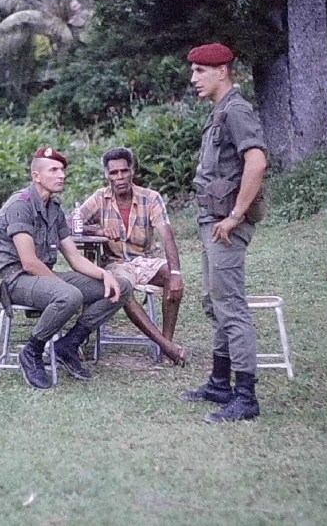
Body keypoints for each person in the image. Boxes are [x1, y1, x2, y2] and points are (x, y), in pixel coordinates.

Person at [179, 43, 268, 423]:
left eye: (201, 71)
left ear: (223, 72)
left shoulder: (236, 110)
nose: (194, 78)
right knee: (214, 303)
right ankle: (219, 382)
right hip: (211, 222)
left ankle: (245, 397)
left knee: (231, 306)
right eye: (194, 71)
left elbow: (257, 161)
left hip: (226, 226)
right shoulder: (220, 111)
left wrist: (235, 215)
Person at [0, 146, 132, 390]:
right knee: (69, 294)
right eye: (54, 170)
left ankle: (68, 344)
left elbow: (74, 257)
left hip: (44, 277)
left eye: (62, 170)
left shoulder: (54, 208)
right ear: (36, 176)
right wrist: (61, 285)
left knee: (121, 286)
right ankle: (31, 352)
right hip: (17, 280)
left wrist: (106, 275)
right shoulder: (21, 204)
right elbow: (29, 261)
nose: (61, 175)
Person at [78, 147, 188, 365]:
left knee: (172, 279)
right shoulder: (100, 198)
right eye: (114, 173)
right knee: (123, 287)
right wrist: (98, 231)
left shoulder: (150, 198)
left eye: (124, 171)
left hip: (145, 260)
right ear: (106, 175)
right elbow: (72, 223)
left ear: (133, 172)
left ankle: (167, 343)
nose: (119, 178)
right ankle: (167, 348)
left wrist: (175, 272)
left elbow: (167, 235)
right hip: (115, 264)